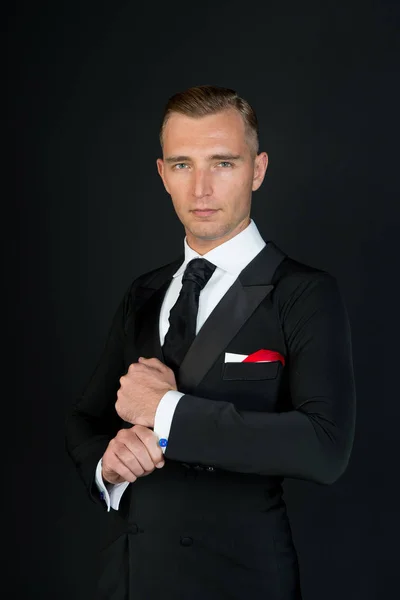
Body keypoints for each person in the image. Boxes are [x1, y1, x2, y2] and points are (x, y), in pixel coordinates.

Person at [65, 84, 356, 600]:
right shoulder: (145, 291)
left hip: (238, 582)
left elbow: (325, 448)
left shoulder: (303, 292)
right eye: (182, 165)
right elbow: (86, 420)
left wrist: (168, 412)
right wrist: (106, 464)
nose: (201, 188)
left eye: (222, 163)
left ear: (258, 170)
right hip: (129, 578)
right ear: (162, 174)